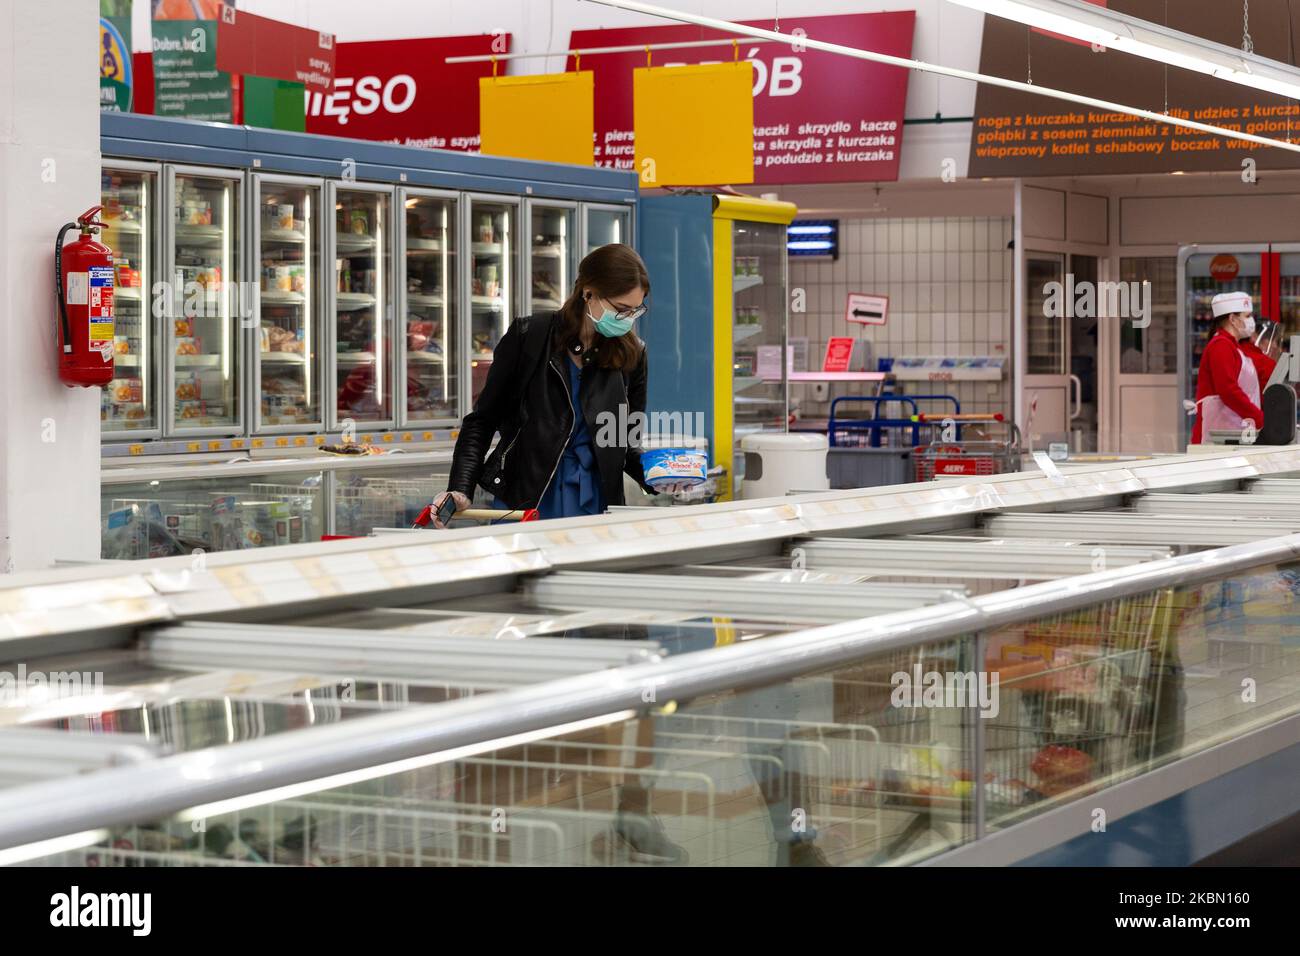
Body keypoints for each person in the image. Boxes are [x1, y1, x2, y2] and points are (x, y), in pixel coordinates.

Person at [433, 243, 690, 524]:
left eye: (634, 311)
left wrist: (661, 477)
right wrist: (460, 487)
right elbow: (482, 420)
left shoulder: (633, 354)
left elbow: (624, 442)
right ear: (588, 291)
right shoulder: (529, 336)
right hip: (526, 499)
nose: (626, 320)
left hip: (597, 502)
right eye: (620, 309)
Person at [1191, 292, 1263, 444]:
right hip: (1215, 437)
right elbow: (1228, 390)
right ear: (1233, 319)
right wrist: (1258, 418)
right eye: (1247, 316)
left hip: (1231, 432)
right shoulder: (1221, 346)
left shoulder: (1232, 346)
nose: (1251, 321)